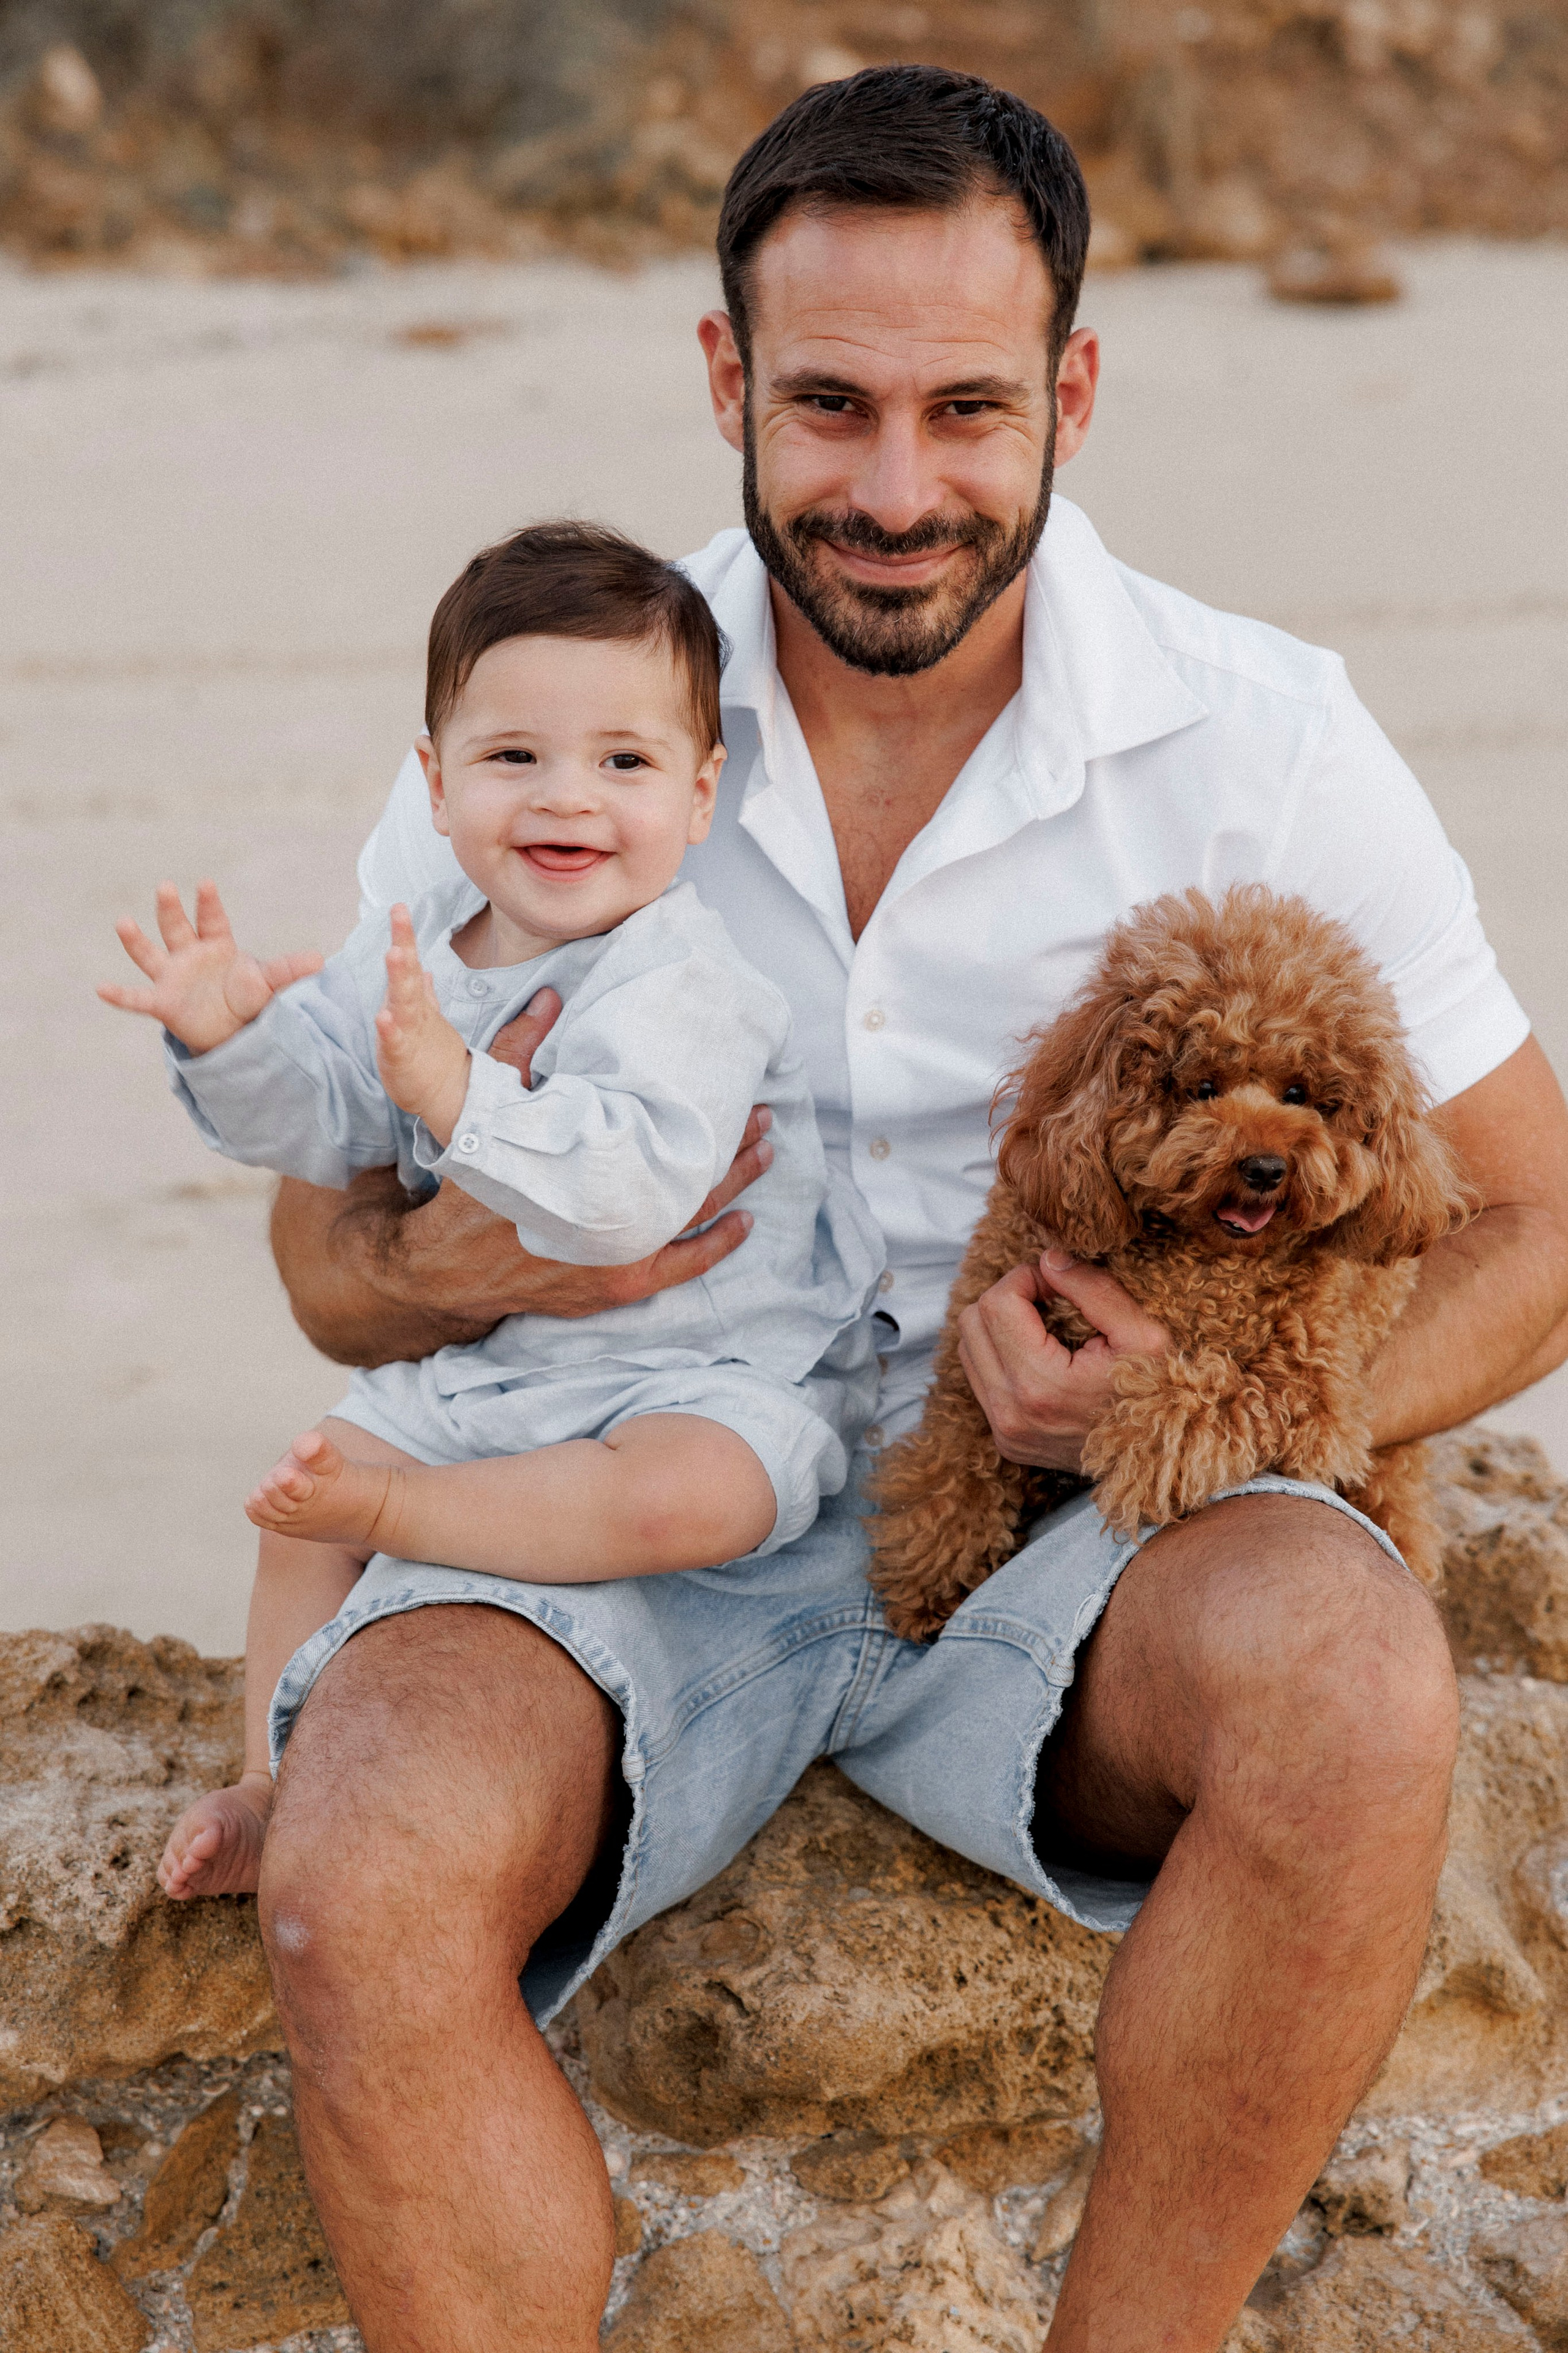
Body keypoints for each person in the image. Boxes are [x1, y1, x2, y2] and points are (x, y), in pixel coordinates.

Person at [251, 64, 1568, 2353]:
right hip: (615, 1498)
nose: (891, 491)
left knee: (1357, 1689)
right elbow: (322, 1268)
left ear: (1071, 385)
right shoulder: (561, 720)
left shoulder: (1264, 733)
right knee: (360, 1856)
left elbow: (1542, 1222)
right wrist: (464, 1256)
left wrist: (1224, 1411)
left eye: (966, 409)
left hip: (1091, 1545)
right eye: (828, 404)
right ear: (724, 378)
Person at [99, 523, 878, 1902]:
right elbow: (329, 1118)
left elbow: (626, 1194)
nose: (564, 800)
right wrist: (230, 1042)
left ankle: (416, 1512)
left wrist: (460, 1095)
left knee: (695, 1494)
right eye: (513, 757)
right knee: (296, 1508)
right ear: (435, 783)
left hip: (700, 1377)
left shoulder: (683, 977)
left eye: (623, 763)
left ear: (699, 798)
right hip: (500, 1378)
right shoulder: (420, 951)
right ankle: (275, 1779)